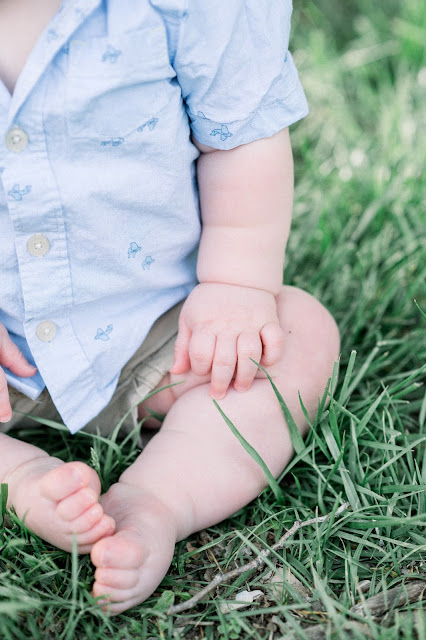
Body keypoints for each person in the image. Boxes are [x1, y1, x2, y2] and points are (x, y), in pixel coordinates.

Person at [0, 0, 340, 614]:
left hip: (155, 331)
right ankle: (19, 479)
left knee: (299, 332)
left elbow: (241, 136)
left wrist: (236, 286)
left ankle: (158, 499)